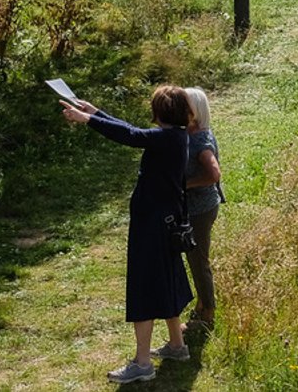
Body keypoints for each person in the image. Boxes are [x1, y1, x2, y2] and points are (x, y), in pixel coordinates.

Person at [59, 86, 193, 384]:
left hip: (152, 226)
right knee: (168, 279)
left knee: (144, 287)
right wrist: (96, 113)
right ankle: (176, 345)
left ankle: (143, 363)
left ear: (159, 112)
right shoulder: (175, 136)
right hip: (165, 224)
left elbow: (131, 136)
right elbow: (134, 131)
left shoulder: (164, 138)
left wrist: (86, 120)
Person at [181, 88, 224, 336]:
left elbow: (213, 174)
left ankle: (208, 315)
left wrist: (184, 185)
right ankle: (201, 304)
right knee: (195, 259)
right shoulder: (193, 133)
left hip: (201, 209)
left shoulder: (200, 140)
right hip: (198, 208)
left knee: (199, 262)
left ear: (194, 111)